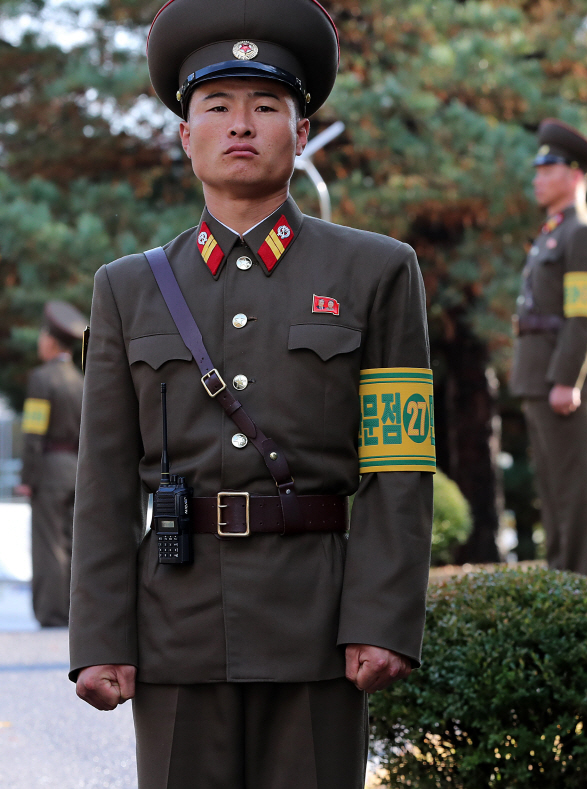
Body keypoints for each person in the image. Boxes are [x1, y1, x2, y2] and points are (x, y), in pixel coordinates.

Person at [69, 1, 434, 787]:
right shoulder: (128, 289)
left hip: (318, 627)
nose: (243, 124)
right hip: (176, 626)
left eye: (268, 107)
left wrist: (380, 621)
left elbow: (398, 467)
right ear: (184, 135)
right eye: (219, 107)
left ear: (300, 137)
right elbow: (102, 477)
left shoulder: (375, 273)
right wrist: (101, 635)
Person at [510, 118, 587, 584]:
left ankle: (586, 590)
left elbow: (582, 317)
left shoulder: (583, 233)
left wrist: (565, 379)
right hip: (540, 377)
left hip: (562, 381)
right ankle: (563, 588)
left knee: (576, 492)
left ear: (573, 174)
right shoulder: (554, 232)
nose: (536, 178)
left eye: (545, 169)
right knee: (553, 492)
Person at [17, 300, 85, 627]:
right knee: (72, 543)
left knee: (48, 545)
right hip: (75, 469)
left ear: (51, 340)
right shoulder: (81, 381)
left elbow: (33, 433)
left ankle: (52, 613)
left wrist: (27, 476)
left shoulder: (42, 380)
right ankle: (73, 611)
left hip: (48, 469)